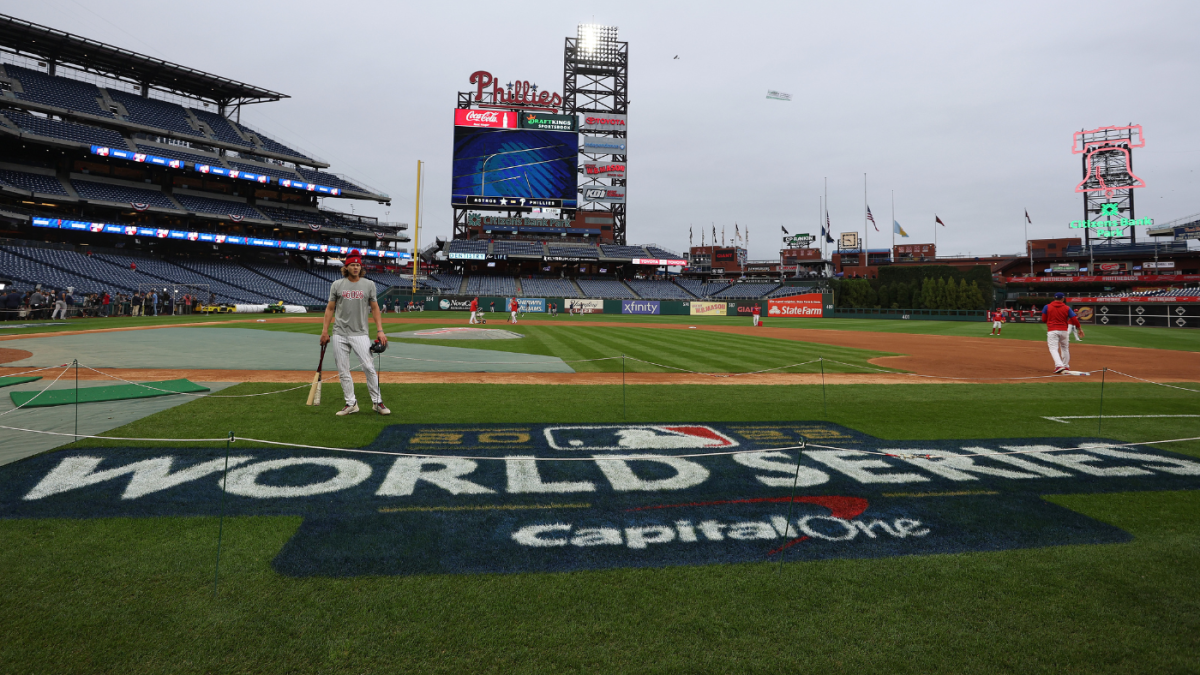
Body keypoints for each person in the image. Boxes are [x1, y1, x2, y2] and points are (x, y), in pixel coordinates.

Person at [319, 249, 390, 416]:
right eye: (353, 265)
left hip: (360, 333)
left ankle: (377, 402)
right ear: (346, 267)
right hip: (339, 333)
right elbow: (330, 308)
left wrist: (380, 331)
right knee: (343, 370)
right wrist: (324, 331)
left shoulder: (369, 284)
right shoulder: (337, 285)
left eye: (358, 265)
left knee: (369, 367)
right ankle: (351, 403)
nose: (356, 267)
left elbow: (375, 308)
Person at [1041, 292, 1077, 374]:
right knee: (1065, 348)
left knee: (1053, 348)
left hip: (1052, 330)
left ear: (1054, 298)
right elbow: (1074, 319)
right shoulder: (1067, 308)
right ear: (1063, 299)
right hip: (1064, 330)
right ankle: (1066, 366)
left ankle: (1059, 365)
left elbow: (1043, 319)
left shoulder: (1047, 306)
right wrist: (1079, 328)